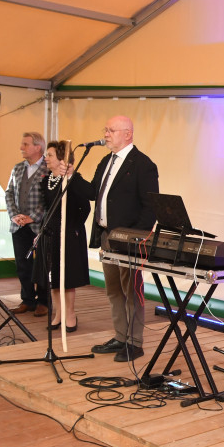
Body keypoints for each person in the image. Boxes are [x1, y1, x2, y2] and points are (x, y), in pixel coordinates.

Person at [82, 116, 159, 363]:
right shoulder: (107, 160)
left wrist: (135, 237)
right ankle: (120, 336)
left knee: (132, 290)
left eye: (111, 130)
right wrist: (72, 176)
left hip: (129, 239)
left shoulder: (143, 165)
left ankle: (134, 342)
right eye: (105, 129)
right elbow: (93, 192)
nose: (106, 134)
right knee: (114, 290)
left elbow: (151, 207)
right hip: (108, 236)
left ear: (127, 134)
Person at [35, 141, 91, 333]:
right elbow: (46, 210)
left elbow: (86, 207)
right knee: (53, 278)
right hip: (50, 233)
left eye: (50, 155)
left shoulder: (73, 180)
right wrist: (41, 232)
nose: (46, 158)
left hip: (68, 234)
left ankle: (70, 314)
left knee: (67, 279)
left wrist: (74, 227)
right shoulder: (46, 181)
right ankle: (58, 313)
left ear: (62, 159)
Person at [5, 132, 49, 317]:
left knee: (43, 265)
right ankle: (28, 300)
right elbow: (8, 193)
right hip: (19, 226)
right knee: (23, 265)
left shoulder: (49, 168)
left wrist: (33, 217)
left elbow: (50, 198)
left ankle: (44, 302)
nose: (21, 148)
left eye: (25, 144)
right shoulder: (17, 168)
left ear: (38, 147)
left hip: (41, 226)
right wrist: (14, 216)